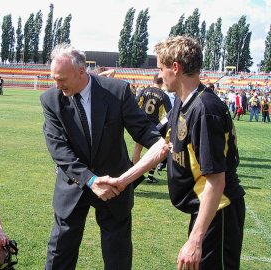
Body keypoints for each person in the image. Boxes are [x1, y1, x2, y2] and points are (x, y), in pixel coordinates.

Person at [98, 36, 246, 270]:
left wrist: (195, 240)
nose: (159, 75)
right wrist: (122, 180)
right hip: (205, 210)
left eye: (160, 68)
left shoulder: (205, 110)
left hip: (220, 211)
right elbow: (162, 149)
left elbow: (216, 181)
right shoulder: (181, 102)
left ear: (175, 68)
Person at [40, 43, 161, 269]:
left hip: (114, 186)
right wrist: (91, 180)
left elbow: (143, 129)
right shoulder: (51, 100)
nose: (57, 85)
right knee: (60, 252)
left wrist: (159, 143)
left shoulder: (117, 91)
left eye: (61, 79)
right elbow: (59, 150)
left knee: (118, 255)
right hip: (74, 184)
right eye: (54, 78)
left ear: (81, 71)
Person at [133, 73, 172, 182]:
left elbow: (135, 104)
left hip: (141, 123)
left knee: (137, 149)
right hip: (154, 127)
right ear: (163, 81)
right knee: (157, 150)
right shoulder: (164, 96)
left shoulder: (144, 91)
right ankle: (150, 176)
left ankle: (136, 176)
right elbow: (170, 113)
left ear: (153, 80)